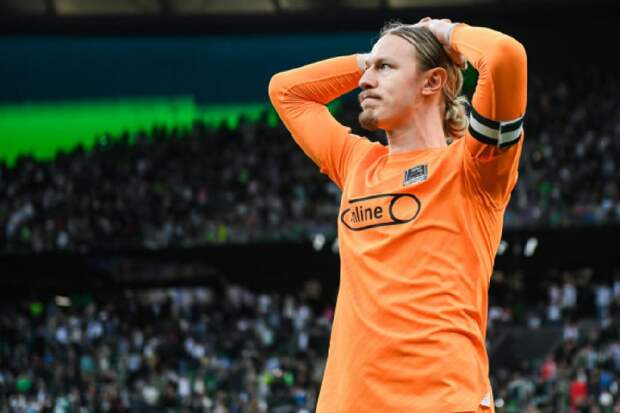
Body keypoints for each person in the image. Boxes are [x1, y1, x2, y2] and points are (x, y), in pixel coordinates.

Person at [269, 16, 527, 413]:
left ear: (432, 82)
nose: (365, 81)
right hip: (348, 404)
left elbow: (505, 56)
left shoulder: (476, 167)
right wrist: (373, 57)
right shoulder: (356, 163)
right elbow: (286, 91)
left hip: (442, 402)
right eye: (368, 69)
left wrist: (445, 33)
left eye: (385, 68)